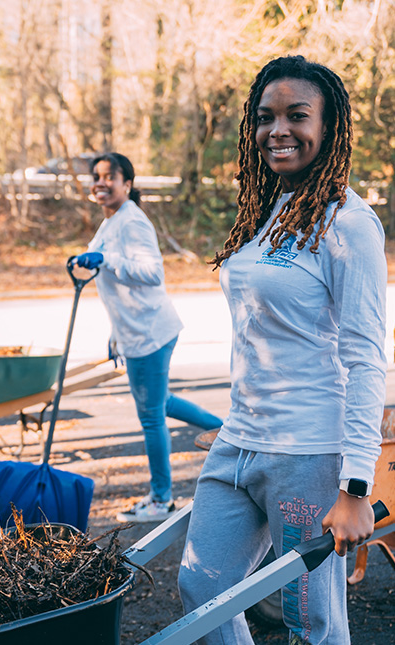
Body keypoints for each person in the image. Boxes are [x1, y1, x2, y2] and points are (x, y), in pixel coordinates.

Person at [177, 56, 387, 644]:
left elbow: (368, 357)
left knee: (311, 621)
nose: (279, 130)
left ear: (330, 127)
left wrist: (355, 489)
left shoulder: (349, 224)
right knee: (202, 592)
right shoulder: (269, 210)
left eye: (298, 115)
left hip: (308, 453)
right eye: (267, 117)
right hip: (238, 441)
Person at [72, 153, 223, 523]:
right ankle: (228, 432)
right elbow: (117, 284)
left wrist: (105, 260)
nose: (102, 182)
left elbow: (152, 274)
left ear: (127, 183)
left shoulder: (132, 221)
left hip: (150, 335)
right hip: (137, 333)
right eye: (98, 176)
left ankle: (161, 500)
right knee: (161, 403)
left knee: (151, 416)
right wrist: (115, 331)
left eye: (111, 176)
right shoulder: (111, 221)